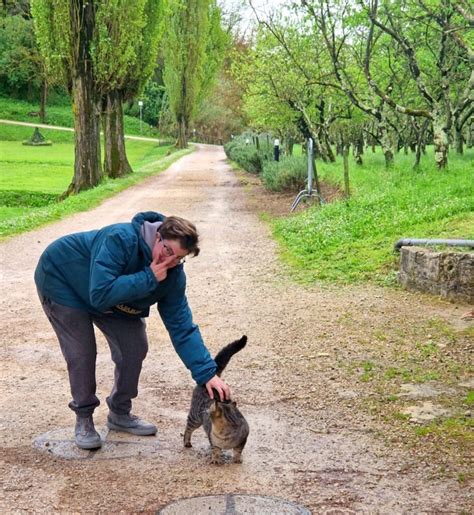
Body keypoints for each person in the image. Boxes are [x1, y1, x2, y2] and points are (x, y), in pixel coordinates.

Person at [34, 211, 230, 450]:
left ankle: (119, 413)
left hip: (109, 294)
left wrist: (207, 372)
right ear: (158, 237)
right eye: (168, 251)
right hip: (64, 281)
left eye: (178, 258)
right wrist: (148, 277)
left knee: (135, 346)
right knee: (82, 351)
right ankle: (84, 417)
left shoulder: (173, 276)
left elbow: (181, 325)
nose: (169, 262)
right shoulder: (120, 238)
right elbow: (100, 293)